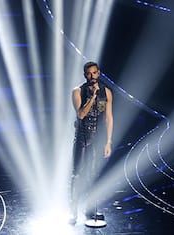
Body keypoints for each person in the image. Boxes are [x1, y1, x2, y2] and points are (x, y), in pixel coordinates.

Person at [69, 61, 113, 224]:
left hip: (98, 137)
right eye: (89, 73)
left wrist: (108, 141)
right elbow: (81, 114)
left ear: (99, 73)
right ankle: (73, 211)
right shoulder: (78, 91)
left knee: (94, 174)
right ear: (84, 75)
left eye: (95, 73)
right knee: (78, 174)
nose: (92, 76)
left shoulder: (107, 92)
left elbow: (109, 117)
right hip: (82, 137)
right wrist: (92, 96)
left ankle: (91, 209)